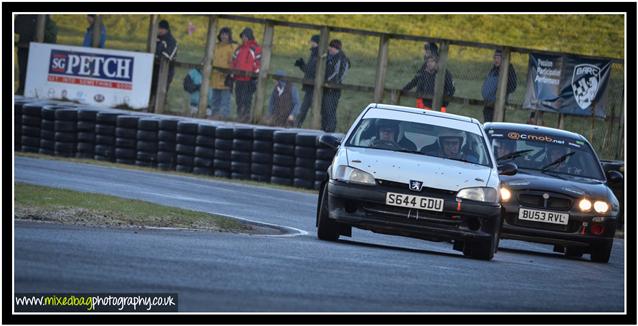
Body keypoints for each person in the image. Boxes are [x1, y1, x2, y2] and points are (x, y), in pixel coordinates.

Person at [15, 14, 57, 95]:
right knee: (23, 72)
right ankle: (22, 90)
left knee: (34, 73)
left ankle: (30, 91)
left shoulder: (45, 18)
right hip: (23, 47)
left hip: (38, 50)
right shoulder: (21, 16)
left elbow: (51, 37)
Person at [232, 27, 262, 123]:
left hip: (249, 79)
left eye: (245, 36)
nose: (243, 38)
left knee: (247, 100)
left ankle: (246, 118)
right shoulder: (239, 48)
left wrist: (255, 77)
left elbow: (258, 63)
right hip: (239, 78)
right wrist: (232, 74)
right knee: (239, 99)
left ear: (249, 36)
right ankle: (239, 116)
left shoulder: (255, 48)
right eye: (242, 36)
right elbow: (233, 61)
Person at [321, 39, 351, 132]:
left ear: (335, 48)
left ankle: (330, 130)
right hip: (327, 87)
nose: (329, 49)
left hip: (333, 89)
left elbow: (339, 74)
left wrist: (330, 81)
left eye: (331, 47)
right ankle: (324, 129)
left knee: (330, 110)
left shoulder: (342, 59)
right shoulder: (330, 57)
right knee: (324, 110)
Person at [481, 49, 517, 122]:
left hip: (497, 107)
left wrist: (502, 92)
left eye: (498, 57)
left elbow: (512, 86)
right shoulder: (494, 69)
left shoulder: (508, 69)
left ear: (503, 58)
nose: (495, 60)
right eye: (494, 57)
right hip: (488, 106)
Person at [293, 34, 320, 127]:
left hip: (313, 87)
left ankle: (299, 125)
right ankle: (297, 125)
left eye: (312, 41)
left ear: (316, 42)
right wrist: (302, 65)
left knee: (306, 109)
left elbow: (312, 71)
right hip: (310, 86)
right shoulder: (314, 53)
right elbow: (309, 70)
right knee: (304, 109)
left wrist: (302, 65)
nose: (311, 43)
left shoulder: (317, 54)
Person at [150, 19, 178, 109]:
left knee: (162, 91)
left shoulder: (171, 40)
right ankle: (149, 107)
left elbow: (168, 55)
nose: (160, 30)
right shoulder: (156, 38)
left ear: (166, 29)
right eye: (159, 28)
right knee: (151, 89)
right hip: (154, 69)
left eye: (162, 28)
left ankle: (160, 108)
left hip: (167, 71)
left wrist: (158, 56)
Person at [209, 27, 235, 120]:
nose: (224, 36)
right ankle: (214, 117)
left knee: (225, 101)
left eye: (226, 34)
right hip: (215, 77)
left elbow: (233, 62)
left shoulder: (232, 47)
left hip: (226, 79)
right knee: (215, 100)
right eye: (222, 34)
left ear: (229, 36)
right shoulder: (215, 46)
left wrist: (230, 73)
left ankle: (224, 119)